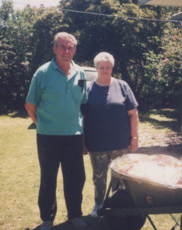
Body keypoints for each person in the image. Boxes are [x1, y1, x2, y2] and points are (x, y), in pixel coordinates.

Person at [25, 32, 88, 230]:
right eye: (62, 47)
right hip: (48, 137)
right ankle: (47, 219)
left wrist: (83, 135)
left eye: (70, 48)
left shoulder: (81, 73)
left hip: (74, 136)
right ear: (54, 49)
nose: (66, 51)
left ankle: (75, 215)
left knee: (76, 178)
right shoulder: (42, 73)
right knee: (48, 178)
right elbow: (30, 105)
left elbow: (83, 105)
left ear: (75, 50)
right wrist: (43, 124)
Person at [82, 52, 139, 218]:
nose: (105, 70)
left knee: (120, 179)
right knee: (99, 178)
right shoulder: (88, 89)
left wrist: (134, 138)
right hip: (97, 145)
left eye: (108, 68)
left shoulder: (122, 86)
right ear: (96, 68)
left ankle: (118, 206)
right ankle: (99, 205)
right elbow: (83, 118)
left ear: (112, 68)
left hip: (121, 144)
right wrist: (83, 142)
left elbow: (133, 113)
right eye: (101, 67)